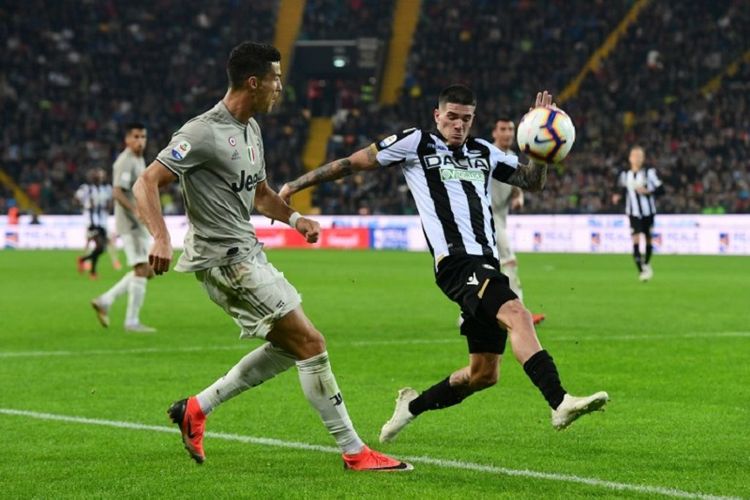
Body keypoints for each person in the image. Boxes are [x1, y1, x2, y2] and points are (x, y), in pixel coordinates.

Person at [132, 41, 411, 472]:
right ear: (253, 82)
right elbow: (146, 181)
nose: (281, 87)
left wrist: (295, 218)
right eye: (276, 79)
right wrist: (160, 237)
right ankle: (356, 452)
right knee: (312, 343)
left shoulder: (251, 130)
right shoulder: (201, 132)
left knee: (291, 348)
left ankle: (196, 408)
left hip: (248, 252)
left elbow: (260, 195)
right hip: (226, 261)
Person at [280, 85, 608, 443]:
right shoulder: (416, 143)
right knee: (518, 313)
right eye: (451, 117)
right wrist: (297, 184)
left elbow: (531, 182)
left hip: (485, 264)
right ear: (437, 116)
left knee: (484, 374)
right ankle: (559, 401)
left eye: (466, 119)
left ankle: (412, 406)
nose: (458, 125)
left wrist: (540, 151)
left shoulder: (485, 152)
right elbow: (353, 162)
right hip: (455, 263)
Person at [91, 123, 156, 332]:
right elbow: (117, 192)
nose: (140, 141)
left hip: (140, 223)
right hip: (131, 225)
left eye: (143, 137)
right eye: (136, 137)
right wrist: (136, 211)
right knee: (142, 269)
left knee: (149, 270)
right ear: (127, 139)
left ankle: (105, 300)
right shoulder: (125, 161)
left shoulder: (138, 159)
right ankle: (131, 321)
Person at [489, 117, 545, 325]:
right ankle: (521, 312)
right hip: (487, 218)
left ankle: (469, 314)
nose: (507, 133)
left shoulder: (512, 157)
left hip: (500, 219)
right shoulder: (487, 154)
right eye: (502, 129)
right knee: (509, 261)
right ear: (494, 133)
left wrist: (519, 198)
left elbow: (516, 188)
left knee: (487, 267)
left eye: (510, 129)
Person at [612, 145, 664, 281]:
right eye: (635, 155)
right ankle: (641, 271)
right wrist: (617, 196)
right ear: (630, 158)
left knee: (648, 239)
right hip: (633, 213)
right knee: (635, 239)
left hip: (649, 213)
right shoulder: (624, 175)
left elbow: (661, 189)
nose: (637, 158)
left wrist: (649, 191)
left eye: (640, 156)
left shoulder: (650, 173)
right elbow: (620, 190)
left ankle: (646, 263)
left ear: (643, 158)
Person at [75, 168, 112, 280]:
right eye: (97, 176)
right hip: (91, 221)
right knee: (99, 246)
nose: (99, 177)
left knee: (101, 248)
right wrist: (85, 206)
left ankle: (83, 260)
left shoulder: (106, 189)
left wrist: (109, 206)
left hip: (103, 221)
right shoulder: (86, 189)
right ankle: (92, 272)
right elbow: (76, 199)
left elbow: (110, 202)